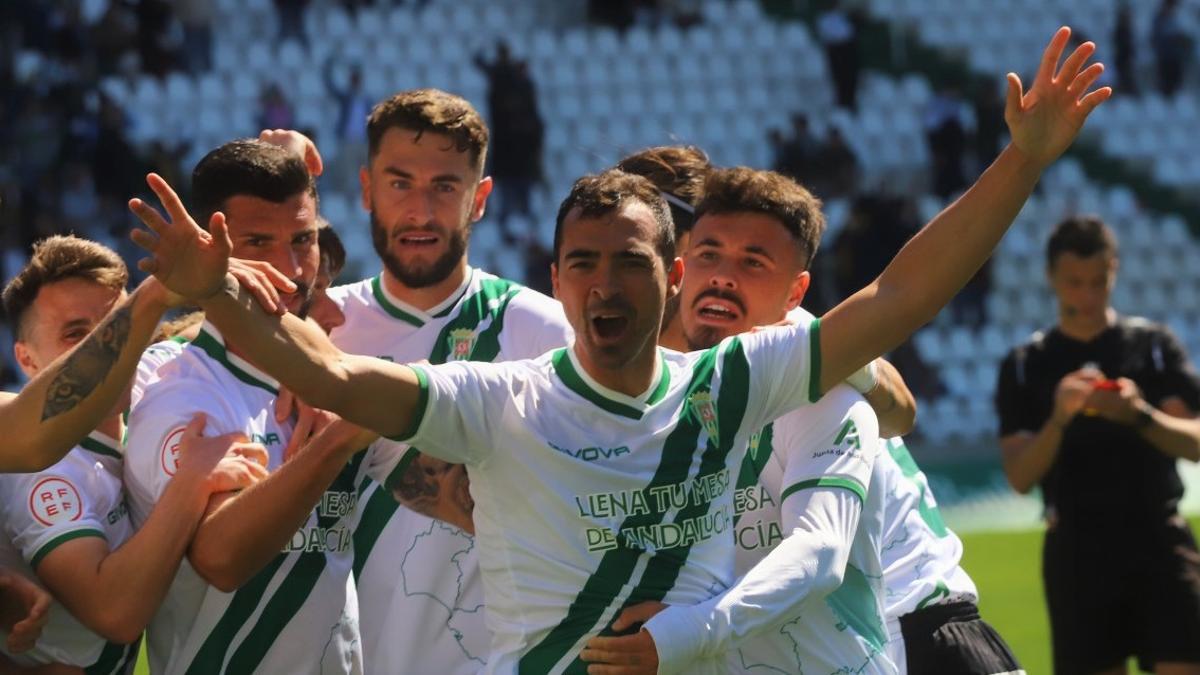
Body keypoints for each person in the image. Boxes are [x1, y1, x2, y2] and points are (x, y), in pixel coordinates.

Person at [131, 28, 1109, 670]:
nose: (606, 283)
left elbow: (899, 296)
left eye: (632, 262)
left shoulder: (729, 384)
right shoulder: (498, 395)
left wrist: (1021, 160)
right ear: (553, 280)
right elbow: (328, 372)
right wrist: (211, 287)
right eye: (583, 262)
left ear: (672, 276)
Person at [326, 89, 571, 675]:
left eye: (445, 186)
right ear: (365, 190)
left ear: (479, 199)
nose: (420, 210)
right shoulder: (321, 334)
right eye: (399, 182)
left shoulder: (542, 331)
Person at [122, 141, 377, 675]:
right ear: (211, 246)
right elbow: (221, 557)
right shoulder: (180, 394)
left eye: (303, 240)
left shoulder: (329, 378)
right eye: (258, 242)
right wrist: (338, 438)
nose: (291, 268)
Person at [0, 236, 267, 672]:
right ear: (26, 360)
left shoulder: (143, 385)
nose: (109, 349)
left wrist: (292, 376)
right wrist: (192, 484)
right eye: (76, 336)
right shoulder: (44, 472)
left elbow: (196, 339)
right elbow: (116, 613)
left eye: (116, 324)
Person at [996, 215, 1200, 675]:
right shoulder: (1028, 364)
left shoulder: (1151, 346)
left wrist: (1140, 414)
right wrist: (1059, 417)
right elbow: (1020, 476)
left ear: (1115, 271)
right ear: (1051, 278)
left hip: (1158, 537)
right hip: (1077, 548)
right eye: (1075, 283)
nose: (1088, 297)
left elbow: (1195, 442)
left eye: (1099, 282)